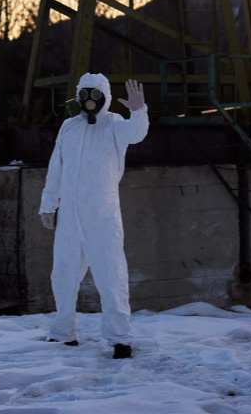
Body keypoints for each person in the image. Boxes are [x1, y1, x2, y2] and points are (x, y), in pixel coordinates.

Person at [40, 73, 149, 358]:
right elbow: (56, 168)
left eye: (96, 95)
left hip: (102, 217)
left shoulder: (114, 125)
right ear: (78, 97)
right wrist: (48, 204)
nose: (90, 101)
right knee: (63, 275)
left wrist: (138, 111)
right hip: (69, 220)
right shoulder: (69, 127)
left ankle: (120, 339)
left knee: (111, 278)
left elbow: (137, 134)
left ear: (105, 98)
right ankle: (63, 333)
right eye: (85, 95)